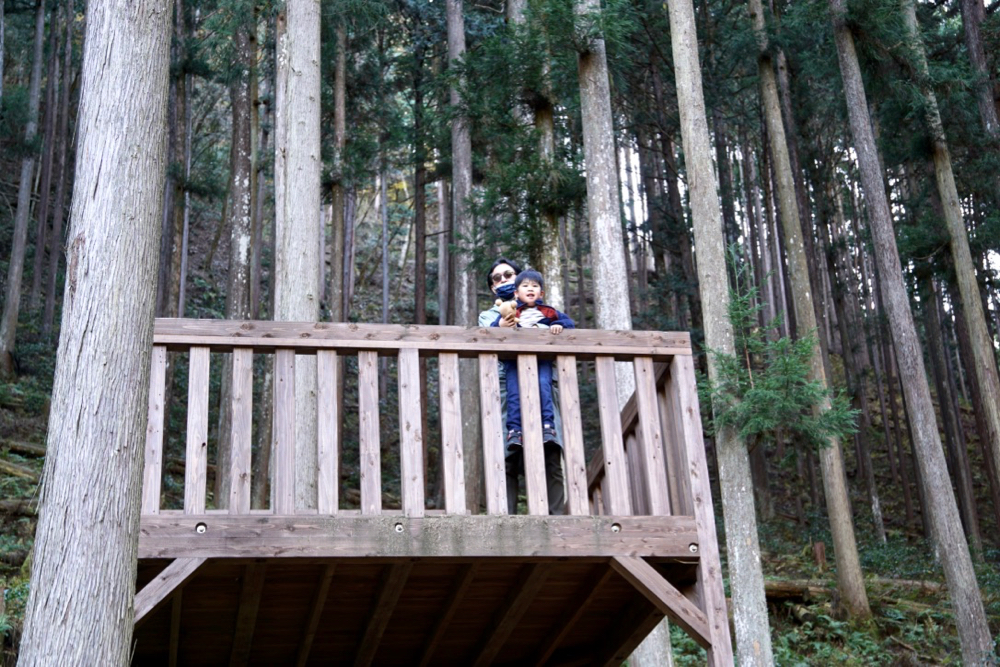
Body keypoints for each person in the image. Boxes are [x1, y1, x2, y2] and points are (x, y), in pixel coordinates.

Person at [480, 259, 566, 515]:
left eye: (508, 274)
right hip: (506, 387)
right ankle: (508, 520)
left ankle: (556, 518)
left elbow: (563, 329)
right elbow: (488, 336)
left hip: (544, 383)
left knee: (551, 448)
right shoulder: (489, 314)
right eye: (497, 278)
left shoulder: (543, 309)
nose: (503, 279)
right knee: (509, 451)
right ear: (493, 287)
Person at [491, 269, 574, 449]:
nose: (530, 289)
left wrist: (557, 325)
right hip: (513, 360)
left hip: (542, 359)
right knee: (514, 391)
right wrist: (501, 325)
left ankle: (547, 427)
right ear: (516, 293)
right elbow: (492, 329)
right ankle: (514, 431)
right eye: (525, 286)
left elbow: (569, 323)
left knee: (544, 385)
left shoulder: (549, 312)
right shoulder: (513, 311)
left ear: (541, 293)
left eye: (535, 286)